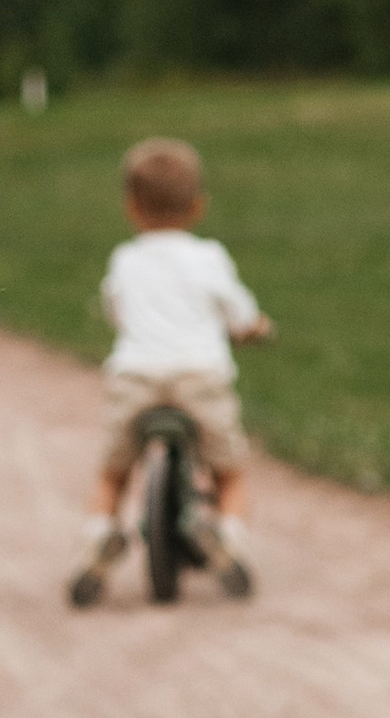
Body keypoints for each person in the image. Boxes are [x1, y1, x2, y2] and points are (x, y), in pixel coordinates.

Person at [69, 137, 273, 606]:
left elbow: (116, 310)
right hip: (199, 377)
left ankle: (99, 535)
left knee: (114, 472)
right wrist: (254, 329)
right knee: (229, 471)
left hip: (136, 378)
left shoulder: (125, 259)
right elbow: (239, 315)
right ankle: (227, 533)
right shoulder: (209, 258)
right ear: (197, 207)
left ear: (132, 208)